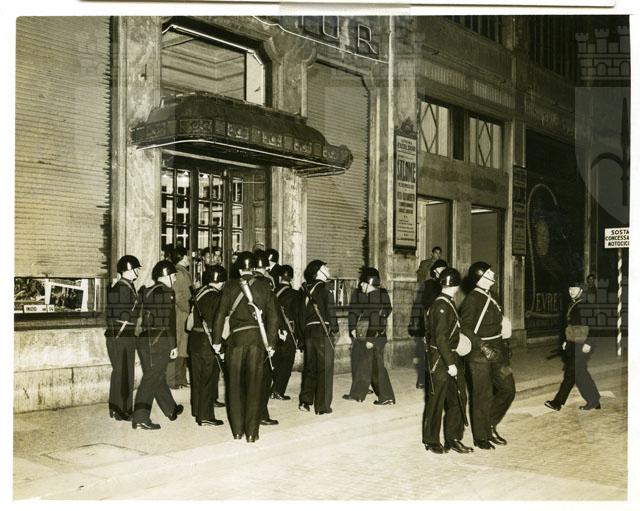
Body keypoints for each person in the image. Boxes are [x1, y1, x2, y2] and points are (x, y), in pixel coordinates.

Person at [211, 252, 279, 442]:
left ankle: (237, 431)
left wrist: (217, 341)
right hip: (257, 342)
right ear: (254, 267)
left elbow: (220, 315)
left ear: (239, 268)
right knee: (255, 386)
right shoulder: (265, 286)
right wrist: (271, 343)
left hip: (235, 341)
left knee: (234, 386)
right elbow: (273, 317)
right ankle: (251, 433)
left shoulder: (230, 286)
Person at [460, 261, 515, 450]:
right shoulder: (472, 300)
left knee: (508, 389)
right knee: (482, 395)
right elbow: (465, 328)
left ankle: (490, 423)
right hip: (479, 354)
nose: (493, 275)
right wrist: (482, 346)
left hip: (498, 350)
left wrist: (504, 343)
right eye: (489, 273)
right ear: (480, 278)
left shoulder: (494, 296)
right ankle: (481, 436)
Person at [422, 268, 473, 454]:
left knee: (458, 398)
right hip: (441, 360)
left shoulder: (446, 302)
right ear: (456, 286)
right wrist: (450, 364)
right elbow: (441, 339)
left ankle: (453, 438)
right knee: (436, 400)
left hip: (451, 356)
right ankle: (431, 440)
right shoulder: (441, 306)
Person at [132, 261, 183, 430]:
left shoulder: (146, 290)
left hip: (144, 339)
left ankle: (170, 409)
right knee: (151, 379)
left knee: (156, 375)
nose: (174, 279)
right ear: (166, 275)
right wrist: (173, 346)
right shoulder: (168, 292)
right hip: (159, 341)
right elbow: (170, 321)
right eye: (173, 276)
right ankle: (140, 418)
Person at [545, 282, 601, 411]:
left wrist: (589, 343)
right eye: (570, 289)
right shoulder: (572, 304)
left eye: (574, 289)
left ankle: (557, 402)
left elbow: (595, 326)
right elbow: (569, 325)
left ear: (581, 291)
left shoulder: (586, 305)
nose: (571, 291)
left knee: (571, 373)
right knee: (580, 374)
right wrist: (566, 340)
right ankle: (594, 400)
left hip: (582, 344)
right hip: (573, 343)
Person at [343, 267, 395, 404]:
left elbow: (377, 320)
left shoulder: (377, 297)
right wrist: (354, 329)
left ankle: (386, 397)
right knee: (363, 364)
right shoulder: (373, 295)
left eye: (363, 282)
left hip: (375, 337)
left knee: (377, 368)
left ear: (370, 282)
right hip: (370, 335)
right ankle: (358, 394)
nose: (360, 285)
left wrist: (371, 339)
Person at [298, 260, 339, 415]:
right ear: (318, 272)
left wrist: (303, 335)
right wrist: (335, 329)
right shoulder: (325, 287)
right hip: (323, 331)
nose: (328, 268)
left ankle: (305, 401)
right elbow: (331, 310)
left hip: (309, 331)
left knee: (310, 367)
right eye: (325, 267)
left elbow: (300, 314)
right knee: (325, 368)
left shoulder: (305, 289)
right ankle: (322, 406)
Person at [188, 265, 227, 427]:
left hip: (195, 340)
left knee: (197, 379)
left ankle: (198, 410)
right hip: (208, 341)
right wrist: (221, 346)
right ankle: (205, 416)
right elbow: (217, 323)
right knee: (208, 380)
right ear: (221, 281)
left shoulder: (198, 293)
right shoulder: (217, 297)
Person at [105, 255, 142, 421]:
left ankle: (116, 407)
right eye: (136, 268)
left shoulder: (126, 286)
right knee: (124, 373)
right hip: (122, 335)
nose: (138, 271)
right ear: (129, 269)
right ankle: (123, 409)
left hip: (123, 335)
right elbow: (125, 314)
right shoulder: (122, 288)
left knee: (120, 371)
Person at [409, 259, 448, 389]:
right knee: (426, 353)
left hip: (442, 322)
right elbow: (419, 305)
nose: (443, 271)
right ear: (435, 271)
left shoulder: (447, 285)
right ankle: (422, 379)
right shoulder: (428, 285)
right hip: (428, 323)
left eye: (445, 269)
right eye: (441, 269)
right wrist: (416, 324)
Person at [252, 250, 279, 426]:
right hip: (262, 336)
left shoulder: (240, 282)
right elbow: (273, 314)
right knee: (264, 378)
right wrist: (272, 341)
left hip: (243, 336)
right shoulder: (267, 283)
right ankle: (261, 414)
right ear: (266, 268)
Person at [271, 265, 301, 400]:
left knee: (275, 360)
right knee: (287, 361)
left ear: (279, 277)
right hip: (289, 330)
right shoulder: (295, 294)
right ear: (291, 278)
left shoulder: (272, 292)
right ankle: (278, 390)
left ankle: (272, 388)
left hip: (273, 330)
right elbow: (298, 315)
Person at [166, 246, 192, 389]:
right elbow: (178, 295)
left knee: (184, 346)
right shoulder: (179, 273)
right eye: (187, 256)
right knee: (179, 345)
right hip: (181, 314)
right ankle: (173, 379)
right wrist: (189, 308)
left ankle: (181, 378)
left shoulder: (183, 272)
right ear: (182, 257)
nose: (189, 258)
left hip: (184, 313)